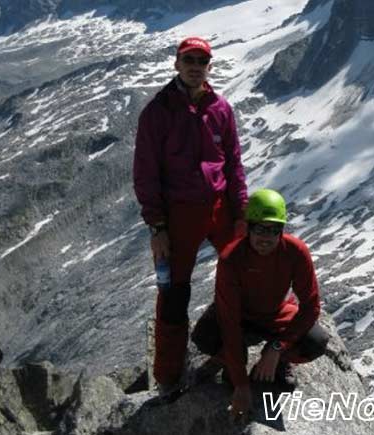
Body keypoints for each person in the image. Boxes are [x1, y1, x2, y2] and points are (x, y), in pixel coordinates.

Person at [133, 36, 248, 393]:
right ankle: (168, 377)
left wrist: (241, 213)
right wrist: (157, 226)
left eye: (202, 60)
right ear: (177, 64)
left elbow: (233, 165)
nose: (196, 66)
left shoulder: (220, 108)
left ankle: (235, 357)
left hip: (218, 207)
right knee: (173, 293)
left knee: (244, 276)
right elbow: (145, 173)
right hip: (177, 214)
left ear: (209, 66)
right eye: (189, 59)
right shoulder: (157, 111)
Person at [192, 189, 329, 420]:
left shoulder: (296, 252)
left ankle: (277, 362)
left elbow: (311, 307)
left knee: (316, 342)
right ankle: (232, 359)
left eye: (273, 230)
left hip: (275, 314)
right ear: (248, 228)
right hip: (240, 316)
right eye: (259, 229)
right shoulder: (231, 258)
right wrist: (241, 384)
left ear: (282, 231)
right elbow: (229, 321)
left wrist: (278, 348)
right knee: (205, 337)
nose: (266, 237)